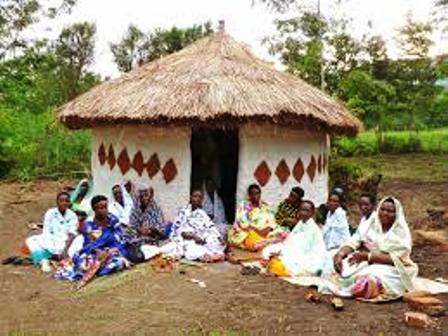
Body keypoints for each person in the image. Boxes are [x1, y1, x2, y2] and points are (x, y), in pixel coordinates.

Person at [324, 197, 418, 301]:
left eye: (390, 211)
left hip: (394, 268)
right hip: (367, 262)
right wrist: (340, 254)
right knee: (332, 266)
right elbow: (354, 241)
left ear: (397, 214)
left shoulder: (401, 232)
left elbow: (398, 258)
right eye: (382, 210)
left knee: (370, 280)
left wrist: (368, 257)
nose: (385, 213)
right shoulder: (370, 224)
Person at [55, 195, 131, 284]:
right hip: (94, 252)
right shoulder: (89, 225)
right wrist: (97, 251)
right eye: (101, 208)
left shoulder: (113, 219)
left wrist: (110, 250)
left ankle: (99, 269)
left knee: (119, 261)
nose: (105, 210)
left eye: (106, 207)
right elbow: (88, 244)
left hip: (113, 249)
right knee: (83, 262)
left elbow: (120, 236)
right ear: (94, 209)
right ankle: (98, 269)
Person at [263, 200, 327, 277]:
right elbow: (290, 242)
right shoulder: (300, 223)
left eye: (306, 211)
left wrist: (283, 255)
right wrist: (281, 251)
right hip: (294, 253)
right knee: (267, 250)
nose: (303, 213)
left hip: (308, 258)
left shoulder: (313, 229)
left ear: (312, 213)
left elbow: (302, 250)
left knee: (282, 265)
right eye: (301, 210)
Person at [160, 190, 225, 262]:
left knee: (213, 240)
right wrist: (189, 235)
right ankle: (205, 255)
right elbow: (176, 228)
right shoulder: (183, 211)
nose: (197, 199)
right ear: (191, 197)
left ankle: (209, 254)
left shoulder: (202, 213)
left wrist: (218, 237)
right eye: (195, 196)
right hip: (185, 238)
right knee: (187, 246)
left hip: (199, 238)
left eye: (200, 197)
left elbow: (210, 226)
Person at [25, 192, 78, 272]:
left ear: (69, 202)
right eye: (61, 201)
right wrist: (51, 248)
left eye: (66, 201)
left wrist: (65, 250)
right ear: (57, 202)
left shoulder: (72, 215)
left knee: (79, 240)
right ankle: (43, 261)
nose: (64, 203)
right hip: (51, 241)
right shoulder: (50, 213)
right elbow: (46, 231)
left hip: (66, 244)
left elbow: (72, 233)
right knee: (31, 240)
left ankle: (51, 257)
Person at [228, 184, 287, 251]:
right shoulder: (244, 205)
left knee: (284, 233)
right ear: (249, 195)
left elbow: (272, 219)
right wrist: (259, 231)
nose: (255, 196)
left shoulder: (264, 206)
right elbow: (244, 223)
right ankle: (267, 243)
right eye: (253, 194)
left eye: (257, 193)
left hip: (266, 232)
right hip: (252, 232)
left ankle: (267, 242)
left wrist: (268, 229)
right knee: (252, 240)